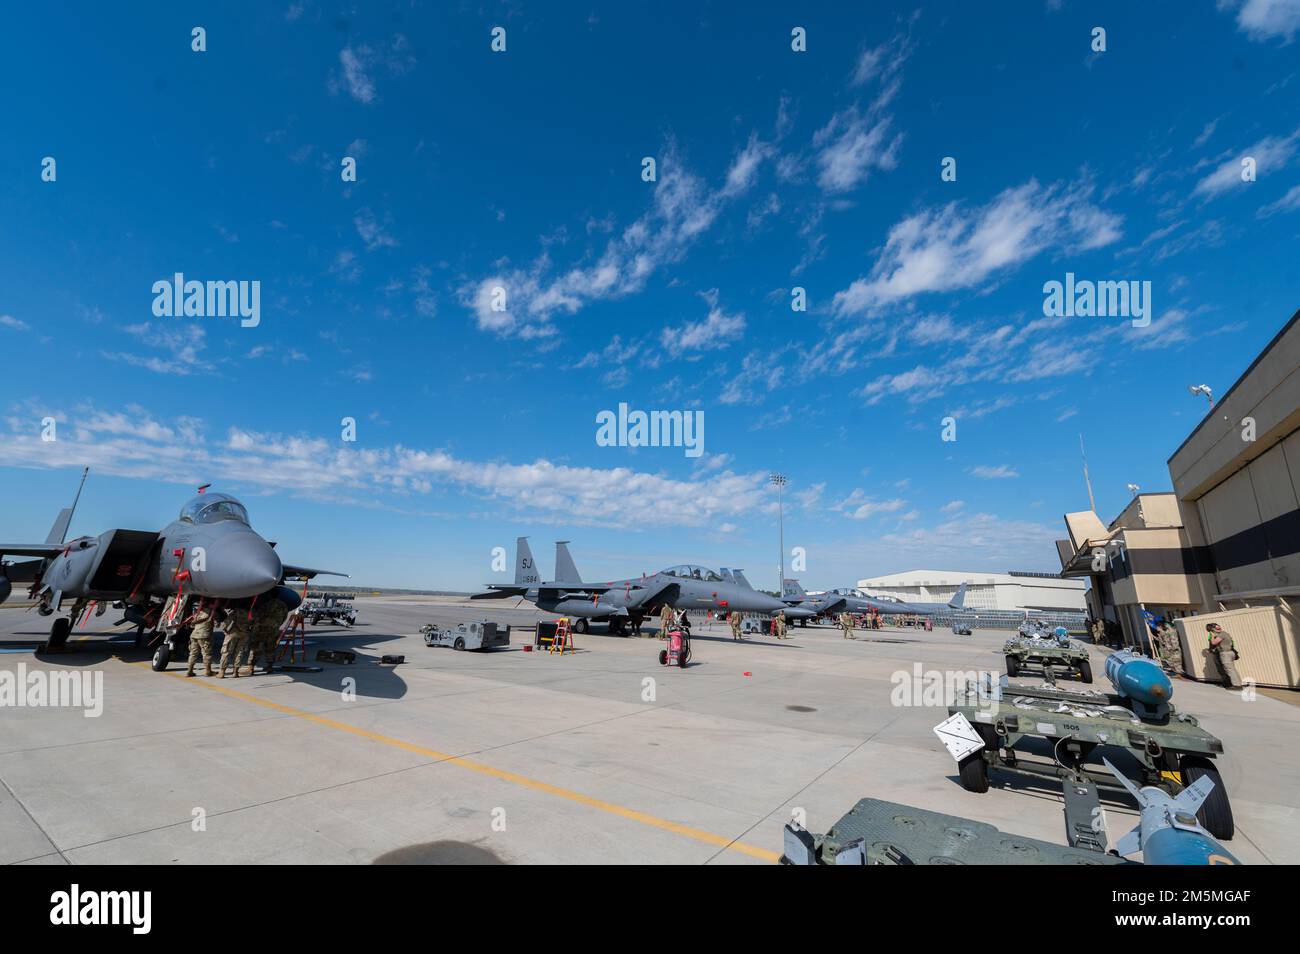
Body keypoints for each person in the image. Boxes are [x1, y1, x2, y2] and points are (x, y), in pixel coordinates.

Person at [246, 593, 289, 675]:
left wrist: (252, 625)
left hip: (261, 629)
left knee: (256, 648)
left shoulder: (266, 603)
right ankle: (270, 667)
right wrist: (277, 624)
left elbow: (259, 615)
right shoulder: (283, 605)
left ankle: (251, 667)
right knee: (270, 649)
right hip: (273, 630)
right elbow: (284, 616)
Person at [218, 603, 254, 678]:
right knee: (239, 652)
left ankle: (222, 672)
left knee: (226, 651)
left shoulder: (236, 611)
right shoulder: (251, 613)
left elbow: (226, 622)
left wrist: (225, 631)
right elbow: (254, 624)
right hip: (244, 634)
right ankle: (235, 672)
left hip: (234, 633)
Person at [185, 598, 217, 678]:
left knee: (193, 653)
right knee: (206, 653)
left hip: (194, 635)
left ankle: (189, 671)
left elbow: (192, 625)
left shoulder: (198, 613)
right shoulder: (211, 613)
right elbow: (217, 624)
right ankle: (208, 671)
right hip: (204, 636)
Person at [1207, 623, 1242, 689]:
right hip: (1230, 653)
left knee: (1229, 669)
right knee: (1232, 669)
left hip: (1226, 653)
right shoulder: (1224, 633)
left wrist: (1211, 637)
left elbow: (1213, 643)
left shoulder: (1221, 634)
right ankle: (1238, 684)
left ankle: (1237, 685)